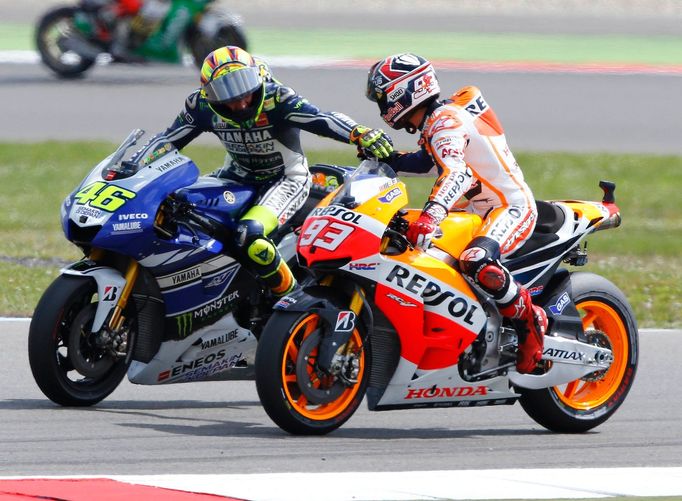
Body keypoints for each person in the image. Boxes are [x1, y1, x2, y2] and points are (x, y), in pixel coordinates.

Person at [130, 45, 393, 297]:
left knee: (251, 236)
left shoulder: (278, 99)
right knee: (177, 207)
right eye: (224, 91)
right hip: (234, 177)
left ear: (257, 77)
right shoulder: (200, 106)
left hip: (284, 180)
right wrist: (131, 165)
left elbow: (322, 118)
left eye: (243, 86)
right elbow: (167, 142)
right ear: (208, 93)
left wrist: (359, 133)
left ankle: (292, 301)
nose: (239, 101)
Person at [365, 53, 547, 374]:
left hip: (510, 207)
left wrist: (431, 215)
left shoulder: (446, 121)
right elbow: (425, 161)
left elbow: (457, 173)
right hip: (473, 212)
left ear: (402, 92)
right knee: (416, 255)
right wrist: (387, 160)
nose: (381, 107)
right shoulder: (437, 121)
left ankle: (530, 321)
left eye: (382, 97)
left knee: (476, 261)